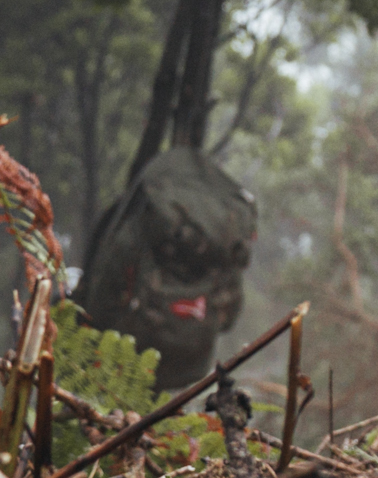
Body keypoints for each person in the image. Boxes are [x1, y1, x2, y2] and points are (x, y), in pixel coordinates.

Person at [75, 145, 258, 391]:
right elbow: (229, 318)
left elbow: (102, 299)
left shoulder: (143, 223)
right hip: (191, 366)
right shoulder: (222, 242)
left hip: (123, 359)